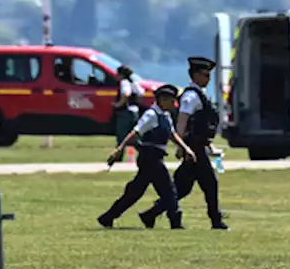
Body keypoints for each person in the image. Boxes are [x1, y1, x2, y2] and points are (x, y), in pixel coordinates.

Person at [140, 56, 229, 230]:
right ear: (194, 75)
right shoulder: (191, 96)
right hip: (193, 147)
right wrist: (182, 146)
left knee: (182, 188)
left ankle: (151, 214)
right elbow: (183, 120)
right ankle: (216, 221)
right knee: (210, 183)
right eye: (204, 75)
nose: (208, 78)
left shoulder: (199, 95)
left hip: (197, 146)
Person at [97, 84, 196, 230]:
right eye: (171, 101)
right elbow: (135, 133)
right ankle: (175, 222)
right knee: (169, 190)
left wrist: (185, 148)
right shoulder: (151, 115)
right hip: (150, 158)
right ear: (162, 100)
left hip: (154, 158)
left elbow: (172, 134)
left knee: (135, 192)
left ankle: (108, 217)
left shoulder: (165, 116)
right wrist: (119, 149)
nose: (174, 104)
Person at [110, 65, 144, 163]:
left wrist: (118, 104)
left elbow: (126, 94)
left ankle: (118, 157)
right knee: (135, 136)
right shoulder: (134, 83)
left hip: (125, 112)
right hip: (135, 112)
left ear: (121, 75)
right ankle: (145, 152)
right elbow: (141, 93)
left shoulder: (124, 82)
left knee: (121, 136)